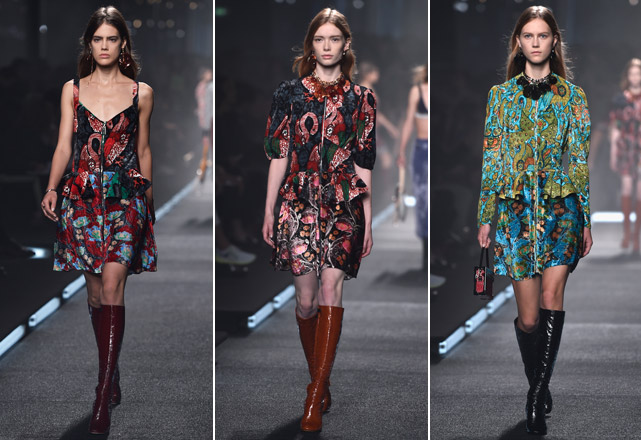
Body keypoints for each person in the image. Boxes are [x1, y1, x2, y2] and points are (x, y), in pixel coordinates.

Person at [40, 6, 157, 435]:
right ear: (89, 44)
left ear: (123, 43)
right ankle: (113, 369)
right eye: (97, 39)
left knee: (112, 287)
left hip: (126, 198)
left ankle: (101, 393)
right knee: (94, 296)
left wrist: (149, 205)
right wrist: (52, 187)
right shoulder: (72, 90)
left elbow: (143, 150)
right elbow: (63, 145)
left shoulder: (141, 92)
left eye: (112, 39)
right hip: (83, 199)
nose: (104, 46)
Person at [476, 6, 592, 435]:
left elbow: (578, 161)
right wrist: (486, 216)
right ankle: (539, 383)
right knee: (528, 319)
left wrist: (586, 219)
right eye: (529, 35)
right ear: (518, 43)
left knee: (550, 295)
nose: (536, 42)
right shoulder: (500, 96)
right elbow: (491, 159)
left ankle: (534, 396)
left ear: (554, 41)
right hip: (515, 210)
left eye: (543, 35)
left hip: (561, 208)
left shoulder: (573, 97)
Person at [261, 8, 375, 432]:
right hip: (299, 201)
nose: (327, 47)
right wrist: (269, 208)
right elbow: (279, 154)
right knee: (306, 302)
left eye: (334, 39)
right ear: (311, 46)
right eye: (320, 39)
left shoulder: (362, 98)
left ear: (346, 45)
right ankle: (321, 380)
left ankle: (313, 396)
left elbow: (364, 162)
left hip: (344, 203)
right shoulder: (288, 94)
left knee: (331, 288)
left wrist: (368, 218)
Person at [398, 63, 428, 272]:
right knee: (422, 201)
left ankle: (430, 260)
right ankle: (425, 260)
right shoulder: (416, 91)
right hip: (422, 149)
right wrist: (401, 150)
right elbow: (409, 120)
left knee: (431, 200)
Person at [610, 58, 641, 255]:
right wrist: (613, 152)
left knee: (640, 192)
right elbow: (616, 126)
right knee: (627, 187)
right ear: (628, 76)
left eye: (638, 73)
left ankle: (636, 237)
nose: (635, 77)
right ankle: (627, 234)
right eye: (632, 73)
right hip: (626, 147)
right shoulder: (620, 100)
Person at [195, 67, 213, 181]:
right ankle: (203, 170)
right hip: (206, 119)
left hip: (205, 118)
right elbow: (204, 105)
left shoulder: (203, 87)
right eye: (208, 73)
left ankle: (204, 170)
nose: (210, 74)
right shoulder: (204, 87)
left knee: (207, 143)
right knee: (207, 143)